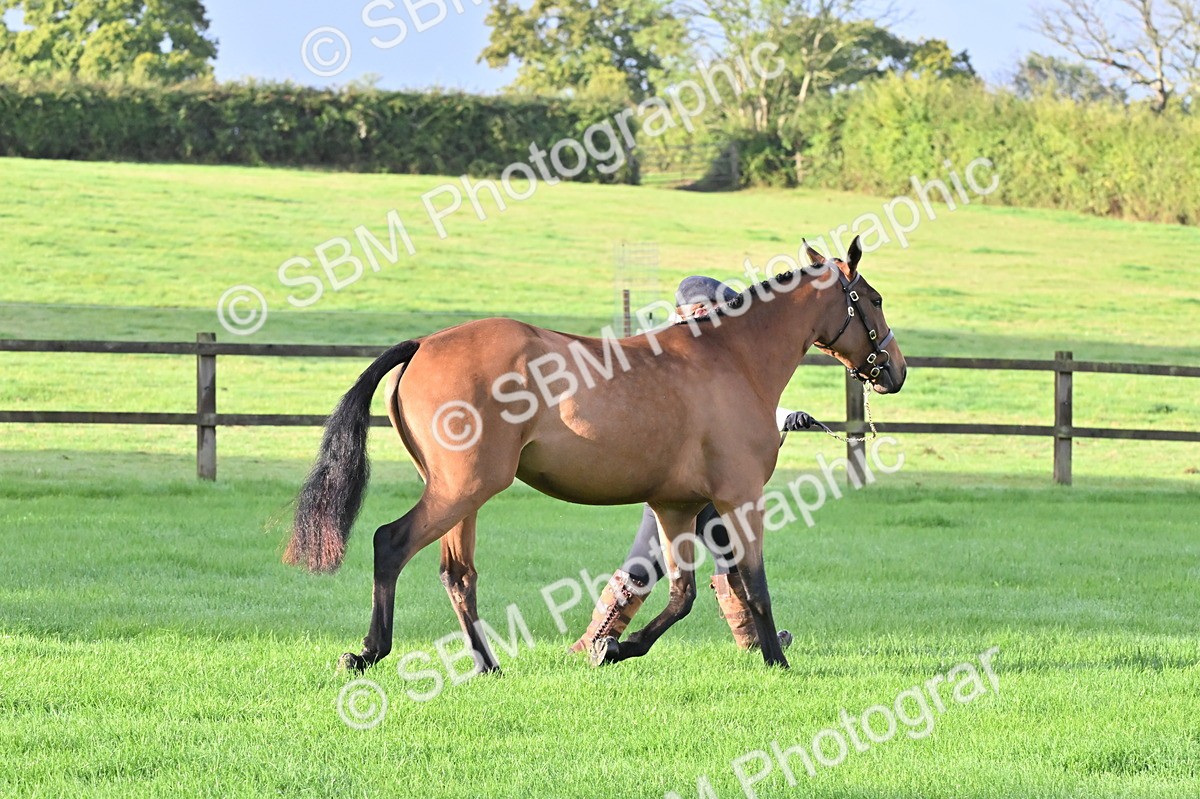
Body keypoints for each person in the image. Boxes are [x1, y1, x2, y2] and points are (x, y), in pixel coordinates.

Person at [570, 276, 814, 654]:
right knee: (651, 558)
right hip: (677, 479)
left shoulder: (697, 350)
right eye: (718, 312)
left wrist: (783, 416)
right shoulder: (681, 351)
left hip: (703, 476)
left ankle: (752, 639)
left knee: (725, 553)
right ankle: (592, 642)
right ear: (701, 312)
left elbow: (731, 413)